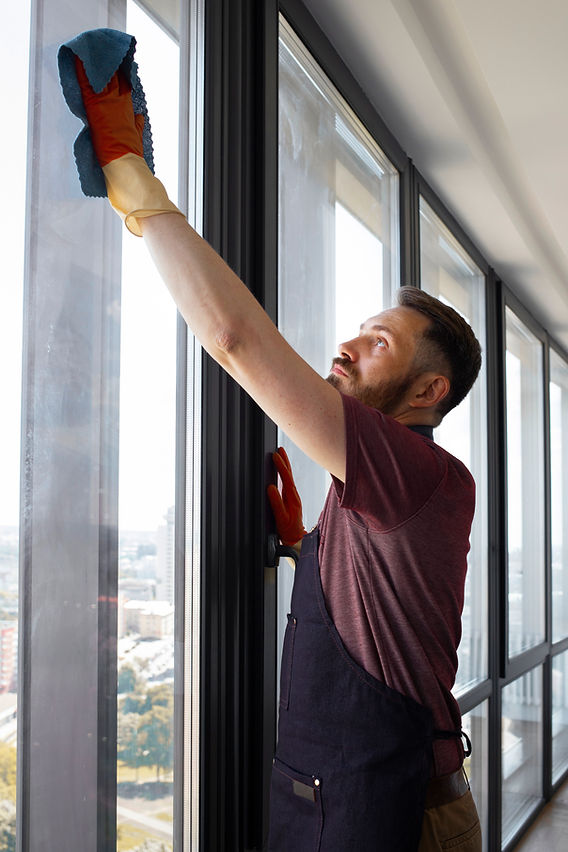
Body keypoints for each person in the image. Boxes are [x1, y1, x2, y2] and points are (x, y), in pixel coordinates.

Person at [67, 40, 482, 851]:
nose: (353, 345)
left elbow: (232, 338)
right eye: (361, 330)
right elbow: (379, 612)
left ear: (431, 393)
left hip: (394, 816)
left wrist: (134, 182)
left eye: (383, 344)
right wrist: (302, 546)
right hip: (346, 801)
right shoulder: (381, 489)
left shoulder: (420, 471)